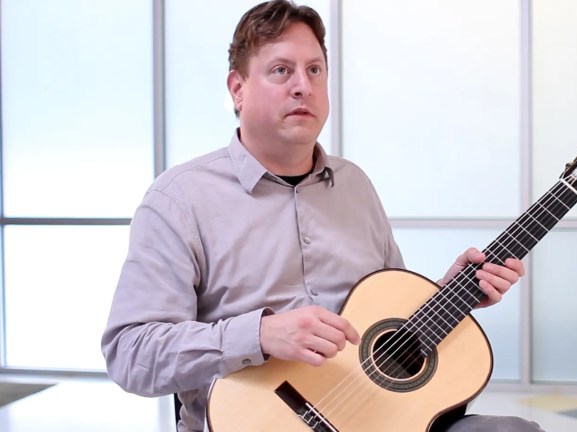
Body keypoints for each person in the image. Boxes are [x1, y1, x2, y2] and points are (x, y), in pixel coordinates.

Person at [101, 1, 543, 431]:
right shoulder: (179, 199)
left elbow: (390, 327)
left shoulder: (356, 186)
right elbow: (130, 354)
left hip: (379, 417)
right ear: (237, 89)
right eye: (281, 70)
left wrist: (450, 294)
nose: (302, 86)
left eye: (315, 70)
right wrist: (259, 335)